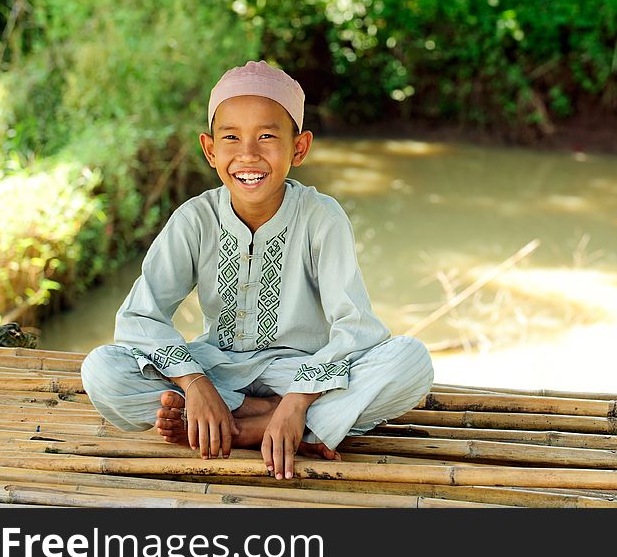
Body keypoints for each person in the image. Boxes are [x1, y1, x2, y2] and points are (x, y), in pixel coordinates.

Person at [81, 60, 434, 480]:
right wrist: (196, 385)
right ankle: (280, 423)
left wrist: (297, 399)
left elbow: (356, 328)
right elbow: (141, 317)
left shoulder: (322, 217)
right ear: (211, 150)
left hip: (301, 372)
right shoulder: (195, 219)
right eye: (231, 137)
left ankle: (246, 429)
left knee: (411, 361)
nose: (248, 154)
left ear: (298, 148)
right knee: (103, 369)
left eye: (267, 136)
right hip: (217, 368)